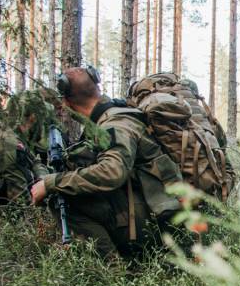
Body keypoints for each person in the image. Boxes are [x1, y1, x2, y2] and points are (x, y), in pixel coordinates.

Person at [29, 66, 183, 262]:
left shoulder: (114, 124)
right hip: (157, 207)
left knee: (64, 196)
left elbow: (112, 172)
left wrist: (51, 183)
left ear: (67, 102)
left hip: (156, 221)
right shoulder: (112, 115)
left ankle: (113, 269)